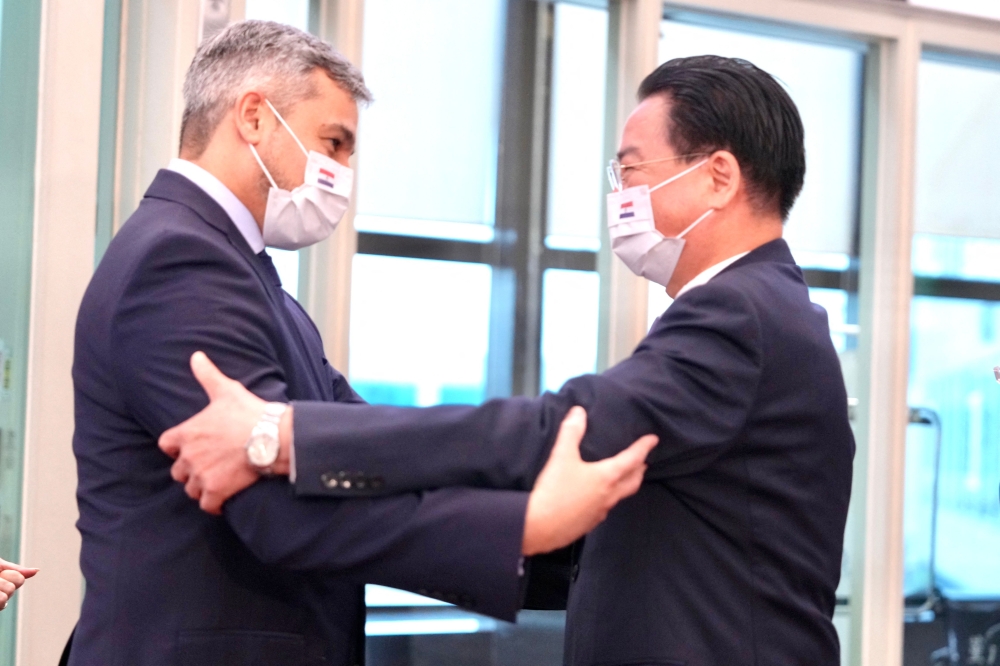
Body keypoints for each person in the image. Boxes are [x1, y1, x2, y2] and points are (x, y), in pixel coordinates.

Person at [162, 55, 856, 666]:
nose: (620, 196)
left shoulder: (742, 314)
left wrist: (286, 436)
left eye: (632, 171)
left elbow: (564, 431)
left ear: (719, 177)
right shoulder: (758, 308)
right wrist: (501, 539)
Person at [70, 20, 654, 666]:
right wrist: (524, 528)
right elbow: (276, 512)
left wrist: (565, 548)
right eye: (334, 143)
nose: (343, 172)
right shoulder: (180, 262)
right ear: (254, 118)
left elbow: (365, 444)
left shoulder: (251, 278)